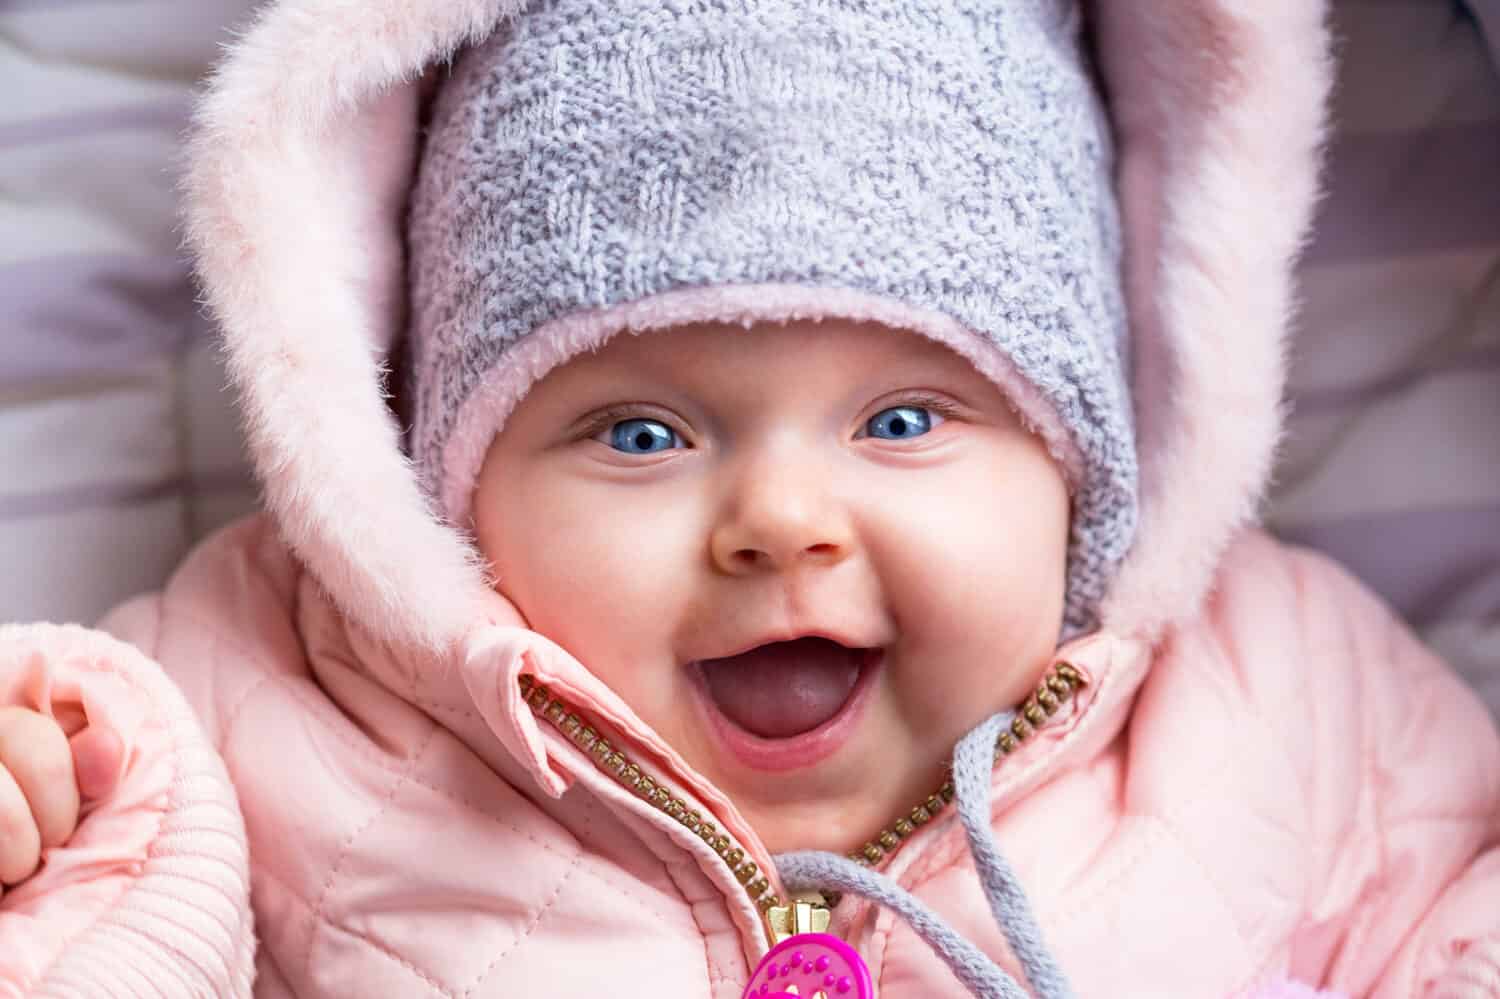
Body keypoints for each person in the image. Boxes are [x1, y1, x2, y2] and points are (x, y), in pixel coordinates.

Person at [2, 0, 1498, 995]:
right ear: (439, 495)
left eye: (904, 419)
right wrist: (43, 850)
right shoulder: (260, 703)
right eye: (641, 434)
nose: (781, 520)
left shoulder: (1276, 701)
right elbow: (111, 920)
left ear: (1083, 474)